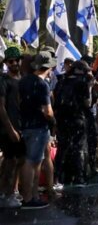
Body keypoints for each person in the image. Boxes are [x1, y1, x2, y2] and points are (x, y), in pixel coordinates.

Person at [17, 51, 58, 209]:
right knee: (32, 162)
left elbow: (19, 101)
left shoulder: (24, 81)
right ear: (48, 66)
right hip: (38, 127)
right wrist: (54, 121)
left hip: (26, 125)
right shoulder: (42, 84)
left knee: (34, 161)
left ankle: (33, 195)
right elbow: (47, 111)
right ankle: (28, 198)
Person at [0, 48, 26, 208]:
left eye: (17, 60)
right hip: (7, 128)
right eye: (11, 61)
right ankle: (6, 193)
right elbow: (1, 107)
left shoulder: (22, 79)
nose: (15, 63)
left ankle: (10, 191)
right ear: (6, 63)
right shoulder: (3, 81)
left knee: (18, 160)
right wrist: (10, 129)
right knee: (10, 161)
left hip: (21, 126)